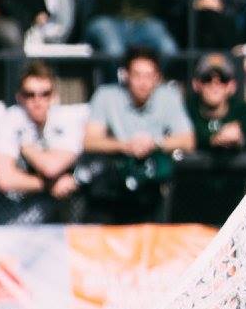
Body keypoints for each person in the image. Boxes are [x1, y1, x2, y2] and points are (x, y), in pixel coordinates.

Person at [80, 45, 194, 223]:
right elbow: (90, 141)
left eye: (149, 76)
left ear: (157, 77)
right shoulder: (106, 95)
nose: (143, 82)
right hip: (112, 188)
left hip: (152, 187)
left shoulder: (169, 96)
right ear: (125, 75)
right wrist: (125, 146)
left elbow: (187, 140)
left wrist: (154, 143)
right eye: (137, 75)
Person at [0, 62, 82, 224]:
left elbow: (51, 168)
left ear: (54, 97)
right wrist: (49, 186)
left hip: (58, 218)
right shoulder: (7, 121)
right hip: (13, 217)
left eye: (45, 94)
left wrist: (27, 149)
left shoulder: (66, 121)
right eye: (30, 94)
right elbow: (4, 180)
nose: (37, 101)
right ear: (20, 97)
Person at [180, 51, 246, 224]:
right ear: (196, 84)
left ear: (232, 85)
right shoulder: (186, 111)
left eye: (222, 79)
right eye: (207, 79)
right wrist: (212, 140)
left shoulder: (244, 112)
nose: (215, 84)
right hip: (191, 208)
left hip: (236, 209)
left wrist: (239, 139)